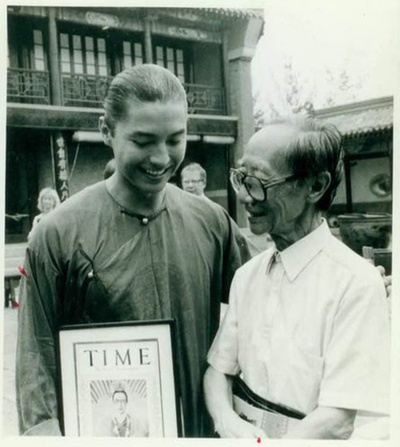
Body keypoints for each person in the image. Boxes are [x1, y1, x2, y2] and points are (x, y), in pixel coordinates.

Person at [16, 64, 250, 437]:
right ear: (106, 131)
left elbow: (262, 311)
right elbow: (36, 366)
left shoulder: (212, 222)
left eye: (175, 140)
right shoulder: (58, 234)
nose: (161, 158)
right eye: (143, 142)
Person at [204, 116, 390, 439]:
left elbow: (337, 420)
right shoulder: (247, 277)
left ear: (315, 187)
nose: (245, 196)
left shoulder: (355, 284)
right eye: (242, 178)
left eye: (258, 182)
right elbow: (218, 371)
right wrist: (226, 421)